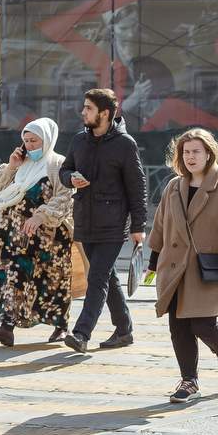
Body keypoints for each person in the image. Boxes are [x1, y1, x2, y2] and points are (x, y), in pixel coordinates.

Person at [146, 128, 218, 402]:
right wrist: (152, 261)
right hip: (172, 267)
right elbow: (160, 225)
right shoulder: (173, 186)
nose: (190, 157)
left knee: (202, 323)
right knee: (179, 327)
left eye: (196, 151)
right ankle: (189, 382)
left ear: (209, 154)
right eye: (185, 152)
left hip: (207, 268)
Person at [58, 88, 148, 354]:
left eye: (88, 108)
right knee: (108, 279)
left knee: (96, 277)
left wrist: (139, 226)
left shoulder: (125, 144)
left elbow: (137, 186)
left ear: (104, 114)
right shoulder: (78, 141)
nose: (83, 112)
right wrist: (70, 177)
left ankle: (81, 333)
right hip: (84, 222)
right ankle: (124, 330)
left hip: (113, 225)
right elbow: (65, 169)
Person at [0, 118, 75, 346]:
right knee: (13, 275)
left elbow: (65, 198)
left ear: (48, 140)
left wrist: (40, 216)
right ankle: (7, 326)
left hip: (48, 238)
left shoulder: (58, 164)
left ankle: (61, 326)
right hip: (13, 235)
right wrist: (12, 166)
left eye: (34, 140)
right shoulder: (19, 165)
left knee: (52, 280)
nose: (30, 145)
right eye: (26, 141)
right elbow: (0, 190)